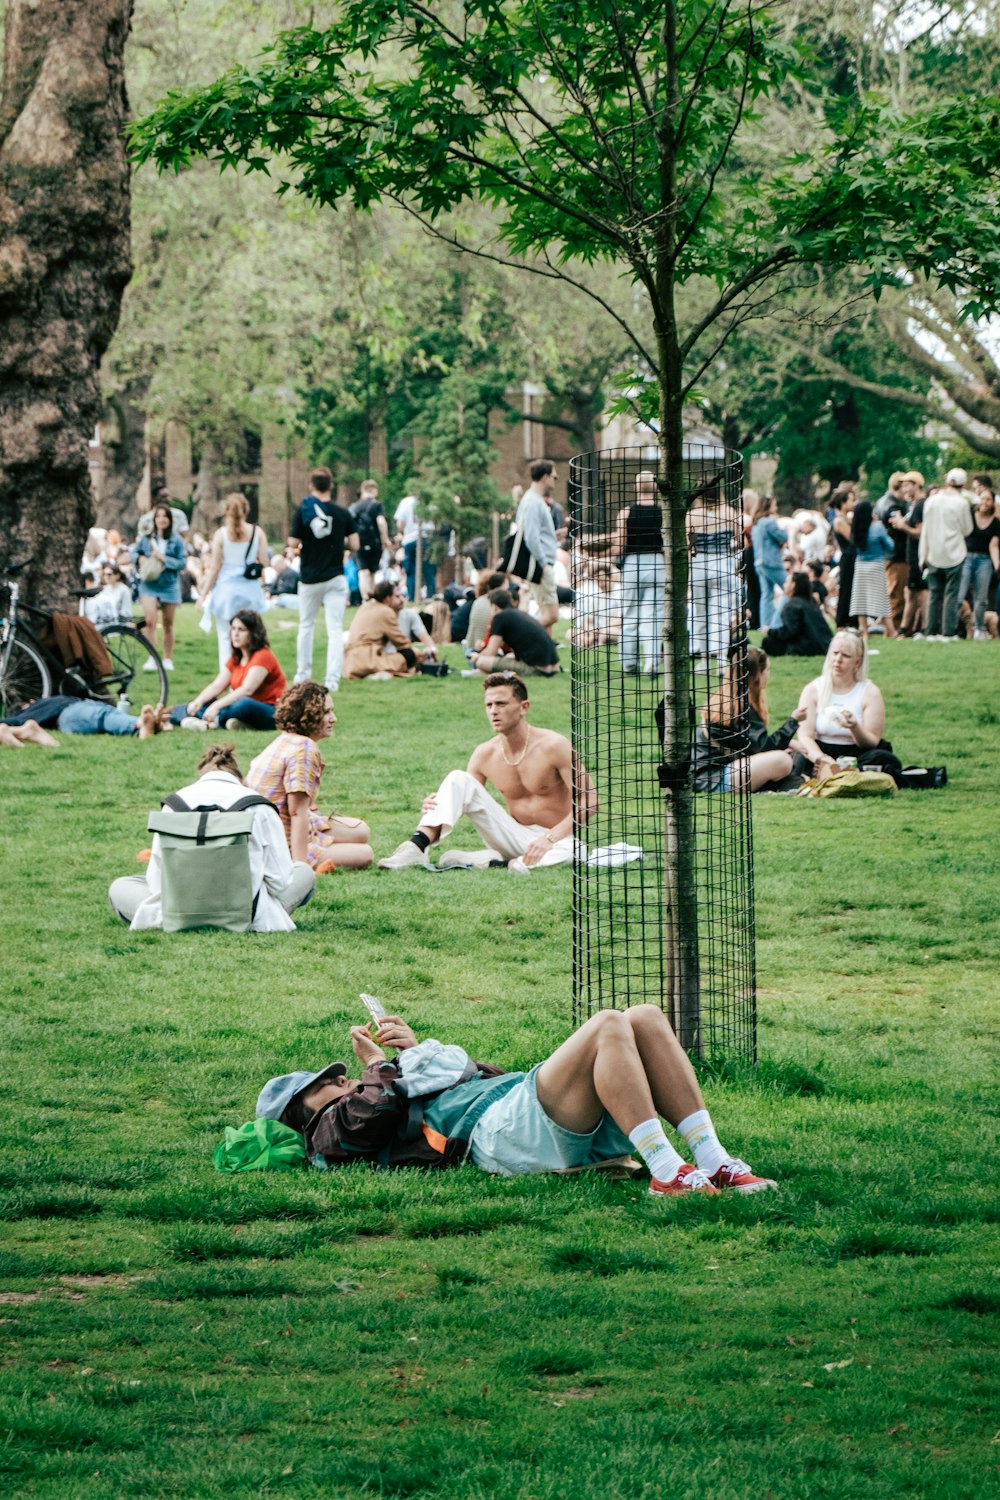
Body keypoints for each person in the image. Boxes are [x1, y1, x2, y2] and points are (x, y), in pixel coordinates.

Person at [256, 1005, 776, 1195]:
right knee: (608, 1024)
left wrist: (414, 1052)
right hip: (497, 1135)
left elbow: (480, 1079)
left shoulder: (375, 1089)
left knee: (643, 1017)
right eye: (330, 1082)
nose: (344, 1081)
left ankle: (714, 1161)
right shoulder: (329, 1132)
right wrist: (378, 1068)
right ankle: (667, 1171)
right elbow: (375, 1113)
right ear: (307, 1106)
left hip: (511, 1109)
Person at [379, 671, 591, 872]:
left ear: (523, 707)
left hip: (557, 839)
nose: (493, 711)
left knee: (577, 853)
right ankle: (415, 847)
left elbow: (590, 800)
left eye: (501, 703)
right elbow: (464, 794)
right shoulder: (485, 753)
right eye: (488, 705)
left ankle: (491, 863)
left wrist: (550, 839)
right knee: (458, 778)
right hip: (511, 834)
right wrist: (440, 802)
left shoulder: (554, 746)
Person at [107, 742, 316, 932]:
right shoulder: (259, 806)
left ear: (200, 777)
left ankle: (176, 919)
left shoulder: (173, 806)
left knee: (121, 886)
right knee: (303, 871)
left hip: (177, 914)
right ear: (240, 779)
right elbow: (279, 882)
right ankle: (264, 917)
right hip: (248, 917)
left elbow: (156, 883)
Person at [246, 681, 373, 871]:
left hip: (267, 829)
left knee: (361, 829)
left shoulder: (286, 739)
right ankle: (297, 860)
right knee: (365, 853)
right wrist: (300, 866)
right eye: (326, 713)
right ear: (308, 715)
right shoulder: (304, 748)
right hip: (279, 839)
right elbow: (297, 812)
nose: (334, 719)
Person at [690, 646, 827, 793]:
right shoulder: (740, 707)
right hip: (714, 779)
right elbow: (764, 748)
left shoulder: (731, 700)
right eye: (767, 670)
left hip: (716, 775)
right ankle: (792, 783)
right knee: (783, 760)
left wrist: (791, 742)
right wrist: (793, 721)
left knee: (795, 755)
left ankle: (791, 783)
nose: (769, 675)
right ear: (757, 675)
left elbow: (752, 747)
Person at [287, 468, 358, 691]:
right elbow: (355, 544)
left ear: (311, 486)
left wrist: (303, 546)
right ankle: (332, 679)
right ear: (331, 485)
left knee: (306, 625)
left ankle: (302, 675)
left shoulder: (304, 511)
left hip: (310, 577)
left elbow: (292, 542)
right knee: (335, 629)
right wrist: (339, 544)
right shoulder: (343, 513)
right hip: (335, 576)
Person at [172, 610, 286, 730]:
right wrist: (197, 702)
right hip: (238, 708)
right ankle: (221, 722)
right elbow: (217, 685)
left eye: (241, 630)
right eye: (233, 629)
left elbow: (247, 690)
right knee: (196, 706)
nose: (235, 634)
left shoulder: (263, 655)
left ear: (253, 633)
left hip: (267, 709)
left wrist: (217, 706)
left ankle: (209, 723)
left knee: (243, 704)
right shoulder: (236, 659)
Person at [793, 630, 890, 769]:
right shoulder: (813, 690)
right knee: (796, 758)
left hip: (857, 754)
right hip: (820, 751)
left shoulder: (870, 692)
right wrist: (823, 760)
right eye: (835, 653)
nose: (838, 660)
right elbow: (805, 736)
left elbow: (871, 742)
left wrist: (854, 727)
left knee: (882, 758)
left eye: (845, 656)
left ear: (857, 661)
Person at [197, 493, 269, 670]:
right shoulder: (257, 532)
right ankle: (251, 673)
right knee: (251, 636)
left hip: (226, 592)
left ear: (226, 512)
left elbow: (215, 568)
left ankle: (227, 676)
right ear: (246, 510)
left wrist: (203, 595)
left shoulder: (220, 535)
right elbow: (265, 562)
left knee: (226, 637)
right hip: (249, 591)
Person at [613, 469, 664, 676]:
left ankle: (629, 663)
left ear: (635, 488)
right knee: (654, 617)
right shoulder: (663, 512)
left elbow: (620, 544)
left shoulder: (626, 513)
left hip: (633, 563)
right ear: (655, 487)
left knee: (630, 614)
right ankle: (652, 663)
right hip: (658, 563)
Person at [687, 482, 740, 675]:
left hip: (700, 562)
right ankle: (721, 661)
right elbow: (740, 539)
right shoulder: (730, 513)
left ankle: (704, 660)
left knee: (701, 613)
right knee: (722, 614)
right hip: (722, 563)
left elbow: (687, 543)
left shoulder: (693, 515)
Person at [919, 468, 973, 640]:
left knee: (934, 594)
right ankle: (948, 632)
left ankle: (931, 630)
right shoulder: (962, 503)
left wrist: (923, 554)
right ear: (962, 484)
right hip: (954, 553)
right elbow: (967, 529)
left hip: (934, 552)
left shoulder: (931, 501)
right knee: (951, 594)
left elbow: (925, 529)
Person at [131, 502, 186, 670]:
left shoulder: (176, 540)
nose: (161, 520)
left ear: (169, 520)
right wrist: (139, 559)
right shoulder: (147, 538)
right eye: (158, 517)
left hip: (169, 584)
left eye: (165, 516)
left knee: (168, 623)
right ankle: (152, 657)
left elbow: (182, 562)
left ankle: (167, 659)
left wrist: (165, 560)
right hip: (149, 584)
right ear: (154, 520)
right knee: (149, 621)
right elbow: (134, 552)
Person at [471, 589, 560, 677]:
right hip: (554, 666)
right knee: (509, 656)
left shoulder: (499, 618)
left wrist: (477, 657)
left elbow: (491, 653)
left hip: (537, 668)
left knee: (481, 662)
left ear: (494, 607)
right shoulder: (520, 614)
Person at [515, 460, 560, 634]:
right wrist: (543, 563)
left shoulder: (533, 500)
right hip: (541, 564)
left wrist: (552, 538)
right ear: (545, 477)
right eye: (554, 477)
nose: (556, 480)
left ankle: (547, 661)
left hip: (542, 562)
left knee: (546, 615)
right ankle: (518, 638)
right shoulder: (533, 502)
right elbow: (531, 537)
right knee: (551, 616)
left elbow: (535, 534)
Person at [343, 581, 423, 679]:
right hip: (367, 661)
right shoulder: (386, 611)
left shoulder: (365, 607)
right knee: (412, 655)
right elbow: (402, 643)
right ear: (387, 598)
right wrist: (417, 654)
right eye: (395, 596)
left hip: (350, 661)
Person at [847, 500, 894, 644]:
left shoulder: (856, 529)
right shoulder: (877, 527)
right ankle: (892, 630)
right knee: (881, 598)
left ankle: (864, 631)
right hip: (876, 564)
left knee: (860, 599)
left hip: (860, 565)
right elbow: (890, 546)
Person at [2, 697, 165, 739]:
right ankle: (139, 723)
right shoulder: (27, 713)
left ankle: (142, 725)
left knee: (107, 714)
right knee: (103, 716)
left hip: (80, 706)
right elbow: (11, 722)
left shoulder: (44, 702)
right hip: (68, 715)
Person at [959, 481, 1000, 640]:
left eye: (988, 500)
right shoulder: (969, 515)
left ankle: (979, 629)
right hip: (967, 558)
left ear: (992, 503)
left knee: (981, 598)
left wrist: (997, 566)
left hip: (984, 560)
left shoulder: (996, 523)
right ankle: (953, 628)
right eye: (982, 499)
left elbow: (994, 545)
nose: (984, 502)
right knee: (959, 595)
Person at [761, 570, 833, 657]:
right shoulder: (810, 602)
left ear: (793, 585)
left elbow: (788, 632)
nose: (784, 584)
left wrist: (770, 631)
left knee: (768, 641)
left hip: (808, 647)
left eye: (787, 581)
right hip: (825, 645)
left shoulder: (792, 606)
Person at [873, 472, 910, 633]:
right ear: (899, 486)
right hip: (896, 556)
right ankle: (893, 628)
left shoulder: (881, 502)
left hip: (886, 555)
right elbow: (898, 529)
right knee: (896, 593)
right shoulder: (893, 506)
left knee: (890, 591)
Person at [750, 494, 787, 631]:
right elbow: (783, 536)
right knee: (789, 589)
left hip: (759, 561)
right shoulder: (769, 522)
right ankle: (776, 622)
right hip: (771, 561)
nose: (776, 507)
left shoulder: (756, 523)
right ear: (768, 506)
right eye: (774, 504)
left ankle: (765, 624)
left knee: (766, 594)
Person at [351, 478, 390, 600]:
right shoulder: (377, 505)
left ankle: (365, 599)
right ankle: (373, 598)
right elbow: (381, 522)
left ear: (363, 490)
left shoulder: (355, 506)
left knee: (363, 572)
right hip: (375, 543)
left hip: (360, 543)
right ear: (375, 491)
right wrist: (385, 539)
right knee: (373, 572)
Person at [394, 493, 438, 602]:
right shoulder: (432, 501)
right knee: (429, 569)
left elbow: (400, 523)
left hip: (410, 539)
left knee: (411, 570)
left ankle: (412, 596)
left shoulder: (406, 502)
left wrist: (404, 531)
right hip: (427, 538)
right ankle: (430, 595)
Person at [82, 562, 133, 627]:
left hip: (119, 623)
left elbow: (127, 612)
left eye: (109, 574)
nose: (106, 577)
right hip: (106, 620)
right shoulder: (105, 588)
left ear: (117, 575)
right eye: (104, 574)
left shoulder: (124, 590)